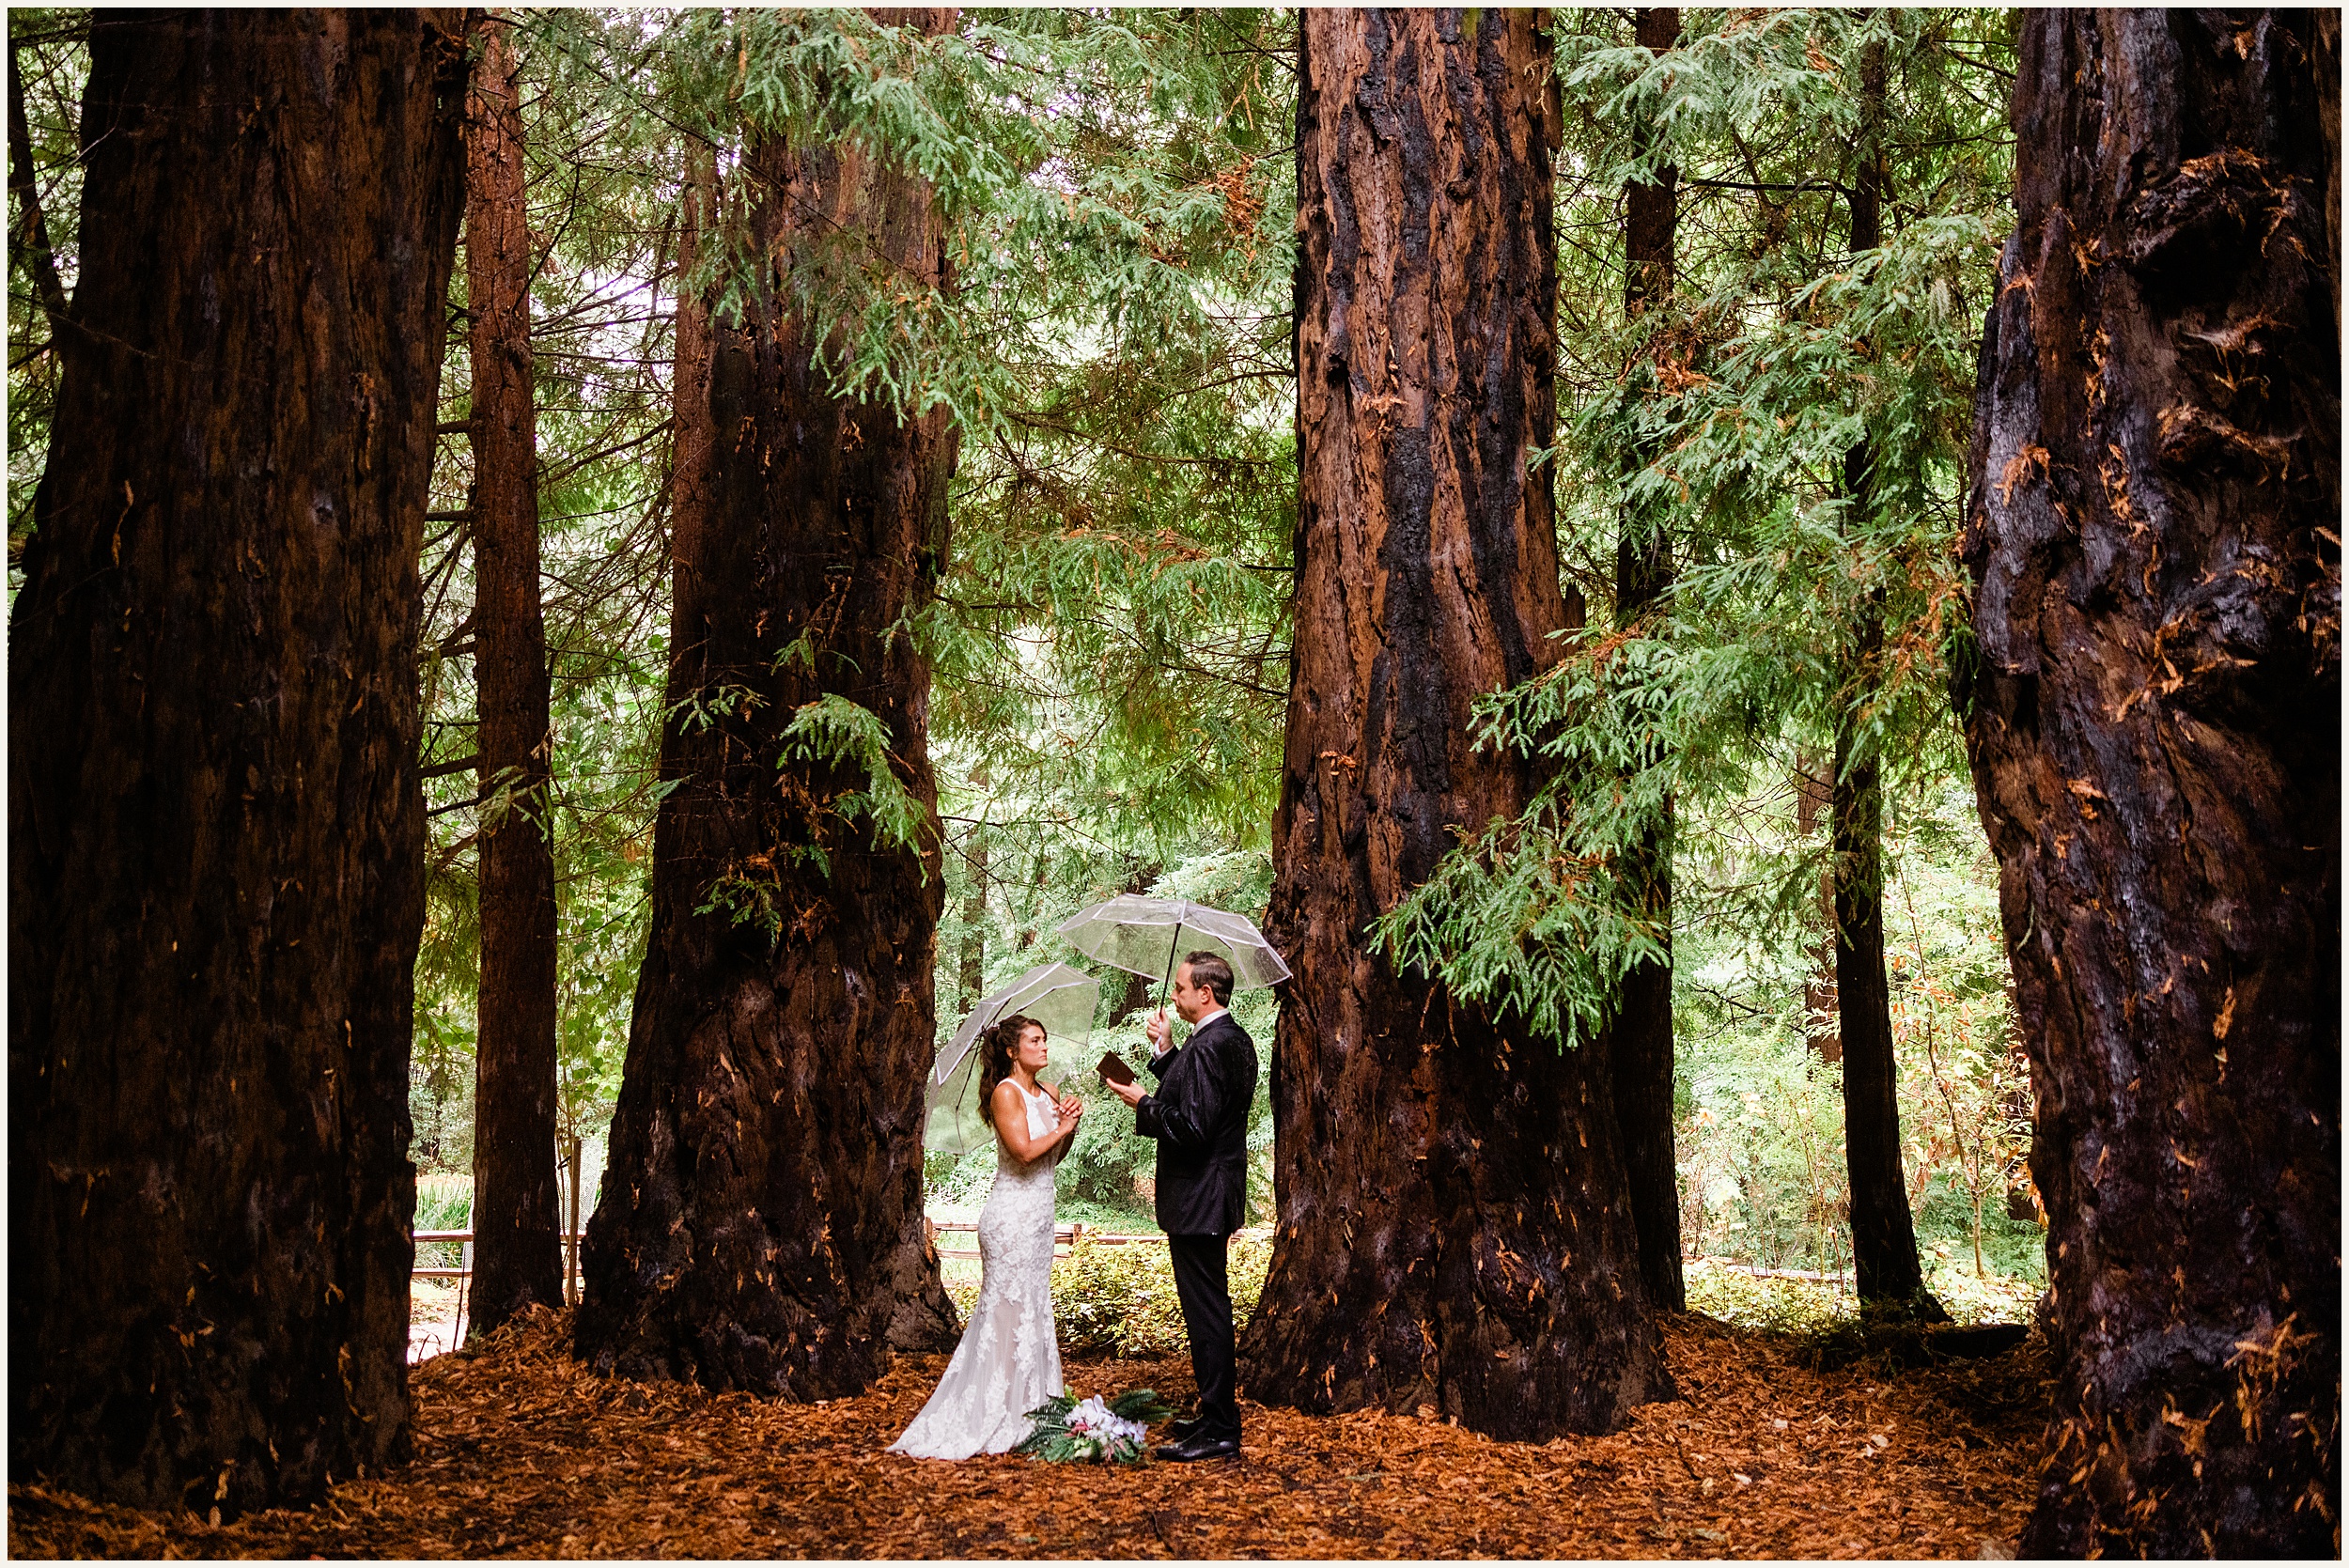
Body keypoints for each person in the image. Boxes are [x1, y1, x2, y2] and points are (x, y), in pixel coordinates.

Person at [887, 1014, 1081, 1460]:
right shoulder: (1004, 1094)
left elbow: (1054, 1157)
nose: (1044, 1046)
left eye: (1045, 1038)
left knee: (1033, 1305)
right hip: (1009, 1216)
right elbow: (1024, 1152)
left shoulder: (1047, 1091)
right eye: (1035, 1040)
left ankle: (1034, 1407)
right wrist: (1061, 1128)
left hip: (1040, 1216)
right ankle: (993, 1408)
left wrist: (1069, 1123)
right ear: (1013, 1051)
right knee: (1005, 1312)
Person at [1105, 951, 1258, 1461]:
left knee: (1208, 1313)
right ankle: (1214, 1414)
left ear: (1205, 994)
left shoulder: (1214, 1046)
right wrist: (1168, 1050)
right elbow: (1200, 1100)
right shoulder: (1227, 1040)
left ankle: (1220, 1429)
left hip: (1200, 1197)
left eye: (1179, 988)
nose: (1174, 995)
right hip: (1211, 1195)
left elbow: (1193, 1129)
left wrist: (1142, 1103)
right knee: (1206, 1309)